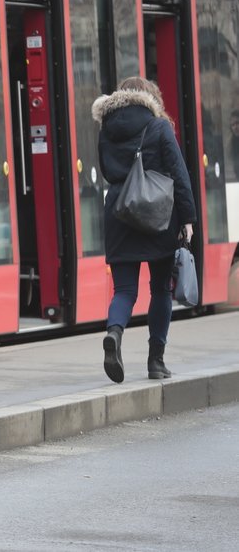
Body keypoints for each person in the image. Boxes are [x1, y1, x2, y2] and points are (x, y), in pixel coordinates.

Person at [93, 76, 196, 383]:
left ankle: (114, 333)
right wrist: (187, 219)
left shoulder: (107, 130)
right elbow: (179, 174)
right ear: (151, 98)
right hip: (158, 214)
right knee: (160, 287)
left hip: (120, 213)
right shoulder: (159, 126)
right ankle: (156, 361)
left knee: (125, 290)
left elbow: (107, 170)